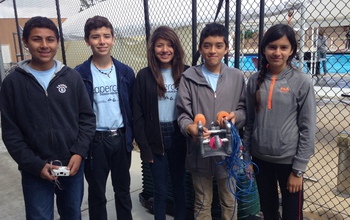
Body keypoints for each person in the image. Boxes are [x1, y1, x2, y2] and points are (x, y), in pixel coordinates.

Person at [0, 16, 96, 220]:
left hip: (71, 167)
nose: (44, 45)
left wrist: (79, 153)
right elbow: (11, 133)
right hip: (35, 170)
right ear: (25, 42)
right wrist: (35, 165)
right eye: (37, 39)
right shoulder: (12, 83)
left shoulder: (71, 78)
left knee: (72, 215)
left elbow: (87, 119)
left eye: (50, 39)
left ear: (57, 42)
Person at [244, 24, 316, 220]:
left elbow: (308, 129)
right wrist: (247, 157)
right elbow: (249, 123)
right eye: (272, 47)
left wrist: (298, 170)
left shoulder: (301, 81)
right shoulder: (253, 81)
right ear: (264, 49)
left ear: (291, 50)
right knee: (269, 212)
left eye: (283, 47)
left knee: (292, 215)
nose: (277, 52)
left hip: (289, 163)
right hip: (260, 160)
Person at [177, 22, 246, 220]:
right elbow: (182, 114)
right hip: (199, 152)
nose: (212, 50)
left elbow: (243, 110)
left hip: (228, 152)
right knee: (202, 201)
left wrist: (235, 118)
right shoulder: (188, 77)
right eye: (207, 45)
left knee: (229, 200)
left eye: (218, 45)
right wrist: (190, 128)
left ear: (226, 48)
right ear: (200, 48)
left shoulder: (237, 77)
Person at [74, 16, 135, 220]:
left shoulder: (126, 72)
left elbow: (131, 107)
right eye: (95, 37)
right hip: (95, 141)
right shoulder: (79, 75)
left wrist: (132, 135)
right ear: (87, 40)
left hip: (120, 137)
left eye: (106, 36)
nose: (102, 41)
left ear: (113, 39)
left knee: (123, 191)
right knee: (97, 193)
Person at [133, 26, 188, 220]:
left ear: (176, 48)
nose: (165, 50)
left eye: (169, 45)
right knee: (160, 190)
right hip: (155, 138)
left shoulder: (187, 73)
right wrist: (144, 147)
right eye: (159, 45)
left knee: (180, 187)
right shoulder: (144, 76)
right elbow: (137, 116)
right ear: (153, 49)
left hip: (180, 135)